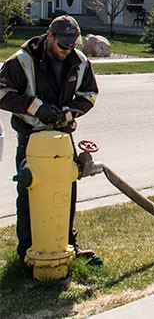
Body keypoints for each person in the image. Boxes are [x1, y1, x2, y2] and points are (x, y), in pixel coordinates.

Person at [0, 15, 99, 261]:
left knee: (65, 192)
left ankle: (68, 244)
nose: (67, 50)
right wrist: (36, 107)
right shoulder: (22, 61)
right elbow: (2, 92)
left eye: (72, 45)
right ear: (50, 36)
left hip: (62, 136)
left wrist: (70, 112)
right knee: (30, 192)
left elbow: (90, 94)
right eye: (63, 45)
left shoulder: (79, 61)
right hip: (31, 137)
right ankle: (27, 250)